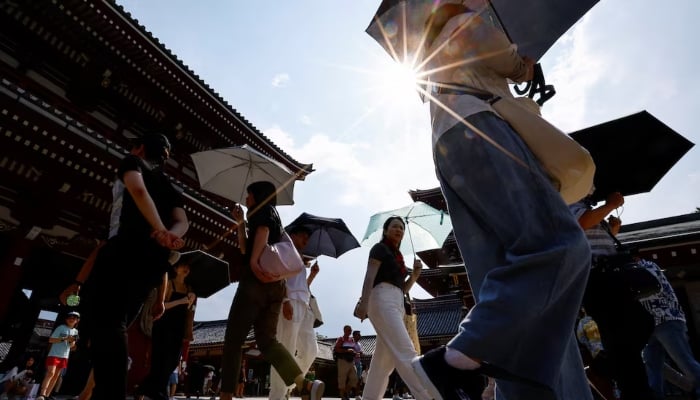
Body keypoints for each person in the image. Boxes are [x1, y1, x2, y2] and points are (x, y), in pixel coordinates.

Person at [405, 3, 593, 400]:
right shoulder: (464, 20)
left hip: (449, 144)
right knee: (560, 244)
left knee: (506, 279)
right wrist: (522, 66)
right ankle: (458, 356)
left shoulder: (430, 53)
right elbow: (505, 61)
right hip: (481, 126)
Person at [78, 132, 189, 400]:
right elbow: (183, 221)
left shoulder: (132, 162)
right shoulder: (170, 186)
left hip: (123, 248)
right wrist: (170, 234)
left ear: (139, 148)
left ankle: (109, 394)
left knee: (104, 321)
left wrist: (159, 229)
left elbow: (137, 189)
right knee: (118, 322)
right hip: (153, 261)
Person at [219, 181, 324, 400]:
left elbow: (259, 238)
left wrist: (255, 264)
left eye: (249, 195)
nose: (247, 199)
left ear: (258, 196)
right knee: (268, 341)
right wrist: (240, 223)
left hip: (255, 284)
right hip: (276, 288)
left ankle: (226, 395)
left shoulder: (264, 211)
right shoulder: (275, 220)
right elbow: (244, 247)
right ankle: (303, 384)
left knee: (234, 339)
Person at [570, 191, 655, 399]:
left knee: (631, 332)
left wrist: (613, 229)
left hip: (606, 279)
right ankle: (612, 373)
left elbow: (592, 233)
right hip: (598, 280)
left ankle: (605, 368)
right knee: (629, 333)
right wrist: (611, 204)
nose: (592, 189)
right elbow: (581, 223)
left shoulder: (587, 209)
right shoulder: (568, 201)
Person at [354, 217, 431, 400]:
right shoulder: (379, 249)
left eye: (402, 228)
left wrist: (414, 276)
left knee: (384, 362)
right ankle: (428, 395)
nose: (399, 230)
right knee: (406, 350)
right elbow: (369, 277)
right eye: (395, 226)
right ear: (386, 230)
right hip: (381, 299)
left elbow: (402, 290)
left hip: (397, 302)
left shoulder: (398, 256)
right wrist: (364, 303)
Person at [268, 225, 320, 400]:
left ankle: (290, 384)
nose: (306, 239)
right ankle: (277, 395)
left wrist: (312, 275)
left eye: (308, 236)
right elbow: (279, 278)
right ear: (292, 235)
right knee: (286, 349)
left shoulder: (300, 258)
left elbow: (301, 286)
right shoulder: (285, 250)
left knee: (311, 350)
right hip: (290, 303)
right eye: (303, 235)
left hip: (304, 306)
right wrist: (285, 301)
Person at [135, 259, 196, 400]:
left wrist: (192, 298)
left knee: (173, 361)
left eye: (188, 267)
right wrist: (181, 301)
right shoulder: (168, 283)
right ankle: (159, 393)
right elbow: (160, 306)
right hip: (163, 326)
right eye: (183, 266)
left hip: (178, 328)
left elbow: (189, 310)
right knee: (159, 361)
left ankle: (143, 388)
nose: (186, 269)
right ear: (175, 269)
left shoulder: (189, 288)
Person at [639, 259, 700, 399]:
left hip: (666, 319)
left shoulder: (645, 266)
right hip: (650, 325)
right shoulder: (644, 267)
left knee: (685, 362)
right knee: (652, 367)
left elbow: (652, 290)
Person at [37, 311, 80, 400]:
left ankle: (47, 395)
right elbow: (51, 340)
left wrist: (71, 341)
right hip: (54, 354)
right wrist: (65, 338)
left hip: (64, 356)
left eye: (74, 318)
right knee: (50, 373)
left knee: (56, 375)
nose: (72, 319)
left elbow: (72, 346)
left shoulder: (76, 331)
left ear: (77, 321)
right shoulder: (61, 327)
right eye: (70, 317)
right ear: (66, 319)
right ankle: (42, 394)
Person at [334, 325, 360, 400]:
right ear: (344, 331)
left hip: (351, 361)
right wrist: (346, 350)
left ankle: (346, 392)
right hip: (342, 361)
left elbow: (352, 350)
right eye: (349, 330)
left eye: (351, 330)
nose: (350, 331)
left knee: (354, 378)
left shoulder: (351, 340)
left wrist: (355, 353)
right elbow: (336, 349)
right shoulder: (341, 339)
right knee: (342, 379)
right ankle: (343, 397)